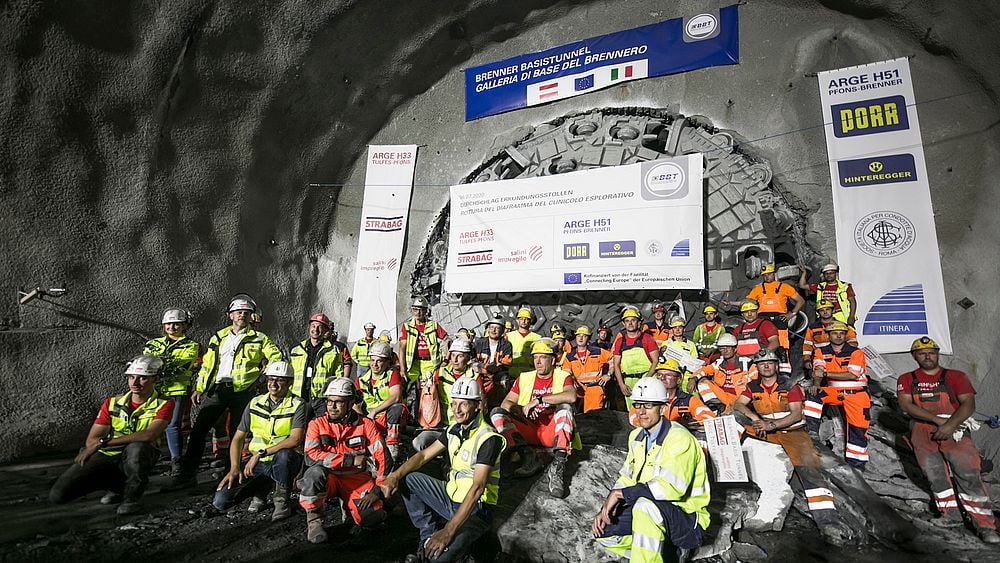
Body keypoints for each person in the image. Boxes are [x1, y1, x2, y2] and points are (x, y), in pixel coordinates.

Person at [732, 350, 850, 546]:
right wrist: (755, 418)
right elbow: (738, 404)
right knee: (734, 422)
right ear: (757, 367)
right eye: (762, 364)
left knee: (809, 469)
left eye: (770, 363)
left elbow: (796, 415)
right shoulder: (753, 386)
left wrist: (771, 425)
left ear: (776, 365)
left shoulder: (789, 386)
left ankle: (828, 521)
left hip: (793, 432)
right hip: (767, 432)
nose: (766, 366)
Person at [381, 379, 505, 563]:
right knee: (408, 478)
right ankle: (427, 538)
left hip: (476, 510)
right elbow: (423, 455)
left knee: (440, 559)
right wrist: (394, 476)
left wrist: (448, 531)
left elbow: (478, 488)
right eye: (454, 403)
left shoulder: (488, 438)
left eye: (463, 404)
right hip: (450, 497)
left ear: (477, 405)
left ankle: (452, 548)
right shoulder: (454, 430)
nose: (457, 410)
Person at [593, 378, 710, 563]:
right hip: (652, 511)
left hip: (687, 519)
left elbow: (670, 489)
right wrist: (606, 506)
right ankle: (665, 551)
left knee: (644, 507)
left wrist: (621, 494)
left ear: (662, 409)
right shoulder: (636, 436)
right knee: (603, 530)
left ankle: (662, 551)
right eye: (638, 405)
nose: (641, 411)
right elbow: (627, 477)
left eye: (648, 405)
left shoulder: (679, 439)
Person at [170, 296, 282, 487]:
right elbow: (208, 365)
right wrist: (200, 388)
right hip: (218, 389)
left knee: (237, 433)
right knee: (199, 430)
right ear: (230, 315)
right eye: (238, 312)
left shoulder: (260, 338)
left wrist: (262, 378)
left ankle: (231, 473)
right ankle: (188, 475)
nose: (242, 315)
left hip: (243, 392)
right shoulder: (218, 337)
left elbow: (276, 358)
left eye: (246, 312)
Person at [896, 337, 999, 543]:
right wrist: (937, 421)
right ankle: (950, 515)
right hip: (922, 430)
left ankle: (985, 525)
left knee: (968, 473)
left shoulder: (956, 376)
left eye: (932, 352)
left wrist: (949, 426)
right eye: (922, 353)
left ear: (937, 354)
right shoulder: (906, 379)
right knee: (934, 474)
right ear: (914, 356)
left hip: (955, 428)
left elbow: (968, 404)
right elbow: (906, 405)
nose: (928, 356)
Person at [50, 355, 172, 515]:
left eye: (143, 378)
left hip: (138, 453)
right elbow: (91, 440)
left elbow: (149, 435)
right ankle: (117, 487)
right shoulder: (112, 402)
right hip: (109, 453)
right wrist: (98, 445)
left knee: (136, 449)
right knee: (58, 495)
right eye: (131, 377)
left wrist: (102, 443)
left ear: (155, 378)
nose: (135, 383)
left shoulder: (164, 403)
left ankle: (131, 498)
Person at [300, 378, 390, 543]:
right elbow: (311, 456)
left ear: (350, 403)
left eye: (338, 402)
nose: (332, 407)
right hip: (330, 477)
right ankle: (314, 521)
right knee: (313, 475)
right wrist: (348, 460)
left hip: (357, 480)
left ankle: (351, 512)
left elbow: (383, 457)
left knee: (373, 517)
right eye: (329, 401)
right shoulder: (317, 424)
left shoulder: (366, 424)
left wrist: (377, 490)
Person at [211, 361, 305, 520]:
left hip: (282, 461)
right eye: (271, 379)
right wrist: (234, 468)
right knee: (221, 502)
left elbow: (295, 439)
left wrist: (261, 453)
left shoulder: (298, 404)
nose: (273, 384)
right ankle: (261, 489)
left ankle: (281, 501)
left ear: (289, 383)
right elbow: (238, 438)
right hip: (257, 464)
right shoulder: (255, 403)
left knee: (284, 455)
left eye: (279, 380)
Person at [491, 338, 579, 498]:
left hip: (551, 432)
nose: (538, 362)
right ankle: (527, 456)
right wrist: (521, 410)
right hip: (530, 430)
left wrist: (539, 400)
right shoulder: (524, 377)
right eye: (535, 357)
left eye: (543, 357)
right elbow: (506, 403)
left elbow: (571, 396)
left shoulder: (563, 376)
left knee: (566, 409)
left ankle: (558, 466)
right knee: (497, 413)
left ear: (553, 360)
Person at [142, 308, 201, 476]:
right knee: (149, 424)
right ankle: (147, 458)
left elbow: (182, 364)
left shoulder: (191, 345)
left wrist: (160, 363)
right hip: (154, 390)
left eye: (176, 324)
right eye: (168, 323)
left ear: (184, 326)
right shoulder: (153, 343)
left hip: (177, 390)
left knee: (173, 425)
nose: (172, 327)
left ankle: (176, 460)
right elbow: (146, 362)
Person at [803, 322, 870, 470]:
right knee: (813, 394)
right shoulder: (821, 351)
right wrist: (816, 383)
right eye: (834, 333)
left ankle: (857, 465)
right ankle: (812, 432)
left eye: (841, 333)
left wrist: (825, 373)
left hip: (856, 394)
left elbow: (852, 375)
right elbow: (818, 369)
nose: (838, 336)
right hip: (834, 392)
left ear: (845, 335)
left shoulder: (856, 352)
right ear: (828, 335)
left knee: (858, 429)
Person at [627, 359, 714, 431]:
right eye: (659, 375)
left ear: (679, 380)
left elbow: (709, 419)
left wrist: (689, 424)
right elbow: (633, 418)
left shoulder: (688, 400)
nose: (662, 378)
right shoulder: (647, 397)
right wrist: (671, 425)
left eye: (668, 375)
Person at [355, 340, 408, 459]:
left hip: (387, 417)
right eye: (372, 360)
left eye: (379, 361)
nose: (375, 364)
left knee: (397, 408)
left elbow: (396, 396)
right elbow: (355, 404)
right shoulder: (361, 379)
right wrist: (362, 419)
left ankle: (392, 446)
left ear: (387, 362)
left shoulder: (392, 375)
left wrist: (374, 412)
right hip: (369, 420)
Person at [289, 313, 343, 418]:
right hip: (299, 396)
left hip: (321, 398)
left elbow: (338, 374)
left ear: (325, 330)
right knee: (299, 425)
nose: (316, 329)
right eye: (313, 326)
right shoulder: (297, 350)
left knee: (322, 425)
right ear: (309, 327)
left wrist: (334, 395)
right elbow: (290, 373)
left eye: (320, 327)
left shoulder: (333, 351)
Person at [744, 264, 804, 355]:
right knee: (762, 344)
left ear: (774, 274)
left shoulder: (784, 287)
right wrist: (731, 303)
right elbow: (746, 302)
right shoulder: (758, 289)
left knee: (782, 347)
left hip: (780, 320)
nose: (767, 277)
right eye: (764, 275)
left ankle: (783, 362)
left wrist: (792, 314)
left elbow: (801, 301)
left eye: (769, 274)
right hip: (763, 320)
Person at [693, 333, 757, 415]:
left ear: (735, 349)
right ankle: (716, 409)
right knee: (702, 381)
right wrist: (693, 378)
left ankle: (726, 411)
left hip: (741, 399)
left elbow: (756, 384)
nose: (725, 351)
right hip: (723, 398)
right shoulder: (719, 363)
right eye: (722, 348)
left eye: (728, 348)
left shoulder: (747, 364)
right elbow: (704, 370)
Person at [612, 306, 660, 408]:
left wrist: (646, 379)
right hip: (629, 382)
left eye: (633, 320)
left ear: (638, 322)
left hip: (648, 378)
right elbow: (616, 365)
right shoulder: (620, 342)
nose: (630, 323)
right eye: (627, 321)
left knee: (649, 409)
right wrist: (621, 384)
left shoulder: (647, 338)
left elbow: (656, 361)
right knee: (633, 412)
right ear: (623, 324)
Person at [562, 326, 613, 413]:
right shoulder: (569, 356)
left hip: (594, 389)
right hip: (578, 391)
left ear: (588, 338)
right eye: (578, 336)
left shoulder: (598, 352)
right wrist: (572, 379)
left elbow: (613, 360)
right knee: (577, 417)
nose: (581, 338)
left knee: (593, 417)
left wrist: (608, 374)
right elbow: (566, 372)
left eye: (584, 336)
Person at [801, 299, 858, 376]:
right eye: (822, 310)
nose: (825, 312)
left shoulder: (842, 326)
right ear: (818, 313)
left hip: (840, 358)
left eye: (828, 309)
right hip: (819, 359)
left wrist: (845, 354)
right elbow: (807, 345)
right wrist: (807, 360)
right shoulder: (812, 328)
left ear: (833, 310)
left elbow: (852, 342)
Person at [473, 314, 513, 407]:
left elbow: (505, 364)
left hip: (497, 377)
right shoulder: (479, 343)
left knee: (503, 381)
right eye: (491, 327)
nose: (493, 330)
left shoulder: (506, 345)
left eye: (497, 328)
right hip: (479, 376)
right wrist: (484, 369)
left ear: (502, 330)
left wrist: (491, 369)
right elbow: (472, 361)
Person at [731, 299, 781, 370]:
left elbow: (775, 343)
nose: (749, 314)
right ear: (742, 314)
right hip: (741, 364)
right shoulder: (738, 329)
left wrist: (759, 355)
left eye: (752, 311)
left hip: (760, 363)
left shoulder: (766, 325)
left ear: (757, 312)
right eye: (746, 312)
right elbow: (732, 348)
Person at [506, 307, 541, 380]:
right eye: (521, 319)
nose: (524, 321)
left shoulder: (537, 338)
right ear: (517, 320)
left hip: (530, 375)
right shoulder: (509, 336)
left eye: (526, 319)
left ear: (530, 321)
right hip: (512, 375)